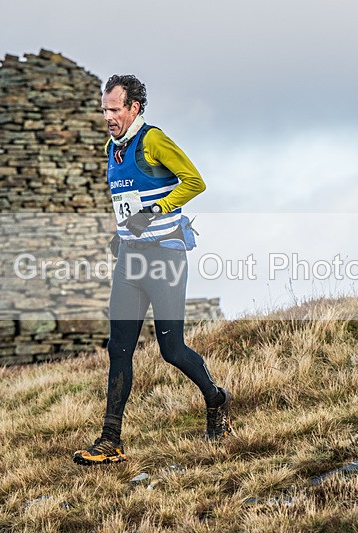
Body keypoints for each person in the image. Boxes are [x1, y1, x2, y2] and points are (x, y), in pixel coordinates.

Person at [73, 75, 232, 465]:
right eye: (104, 109)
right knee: (118, 349)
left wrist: (156, 211)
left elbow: (195, 181)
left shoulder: (153, 141)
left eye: (114, 109)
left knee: (171, 349)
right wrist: (122, 233)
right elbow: (127, 201)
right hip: (130, 259)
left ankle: (216, 399)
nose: (107, 116)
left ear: (134, 108)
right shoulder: (113, 147)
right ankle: (110, 441)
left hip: (164, 258)